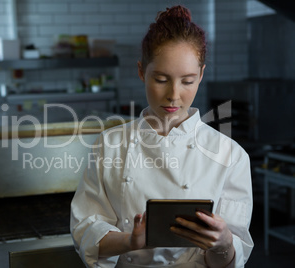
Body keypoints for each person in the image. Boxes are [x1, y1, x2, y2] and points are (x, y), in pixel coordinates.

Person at [70, 5, 253, 268]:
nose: (173, 94)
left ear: (201, 75)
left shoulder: (230, 155)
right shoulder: (109, 145)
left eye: (187, 81)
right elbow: (85, 229)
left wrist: (224, 242)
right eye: (161, 79)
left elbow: (228, 260)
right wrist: (130, 242)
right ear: (141, 71)